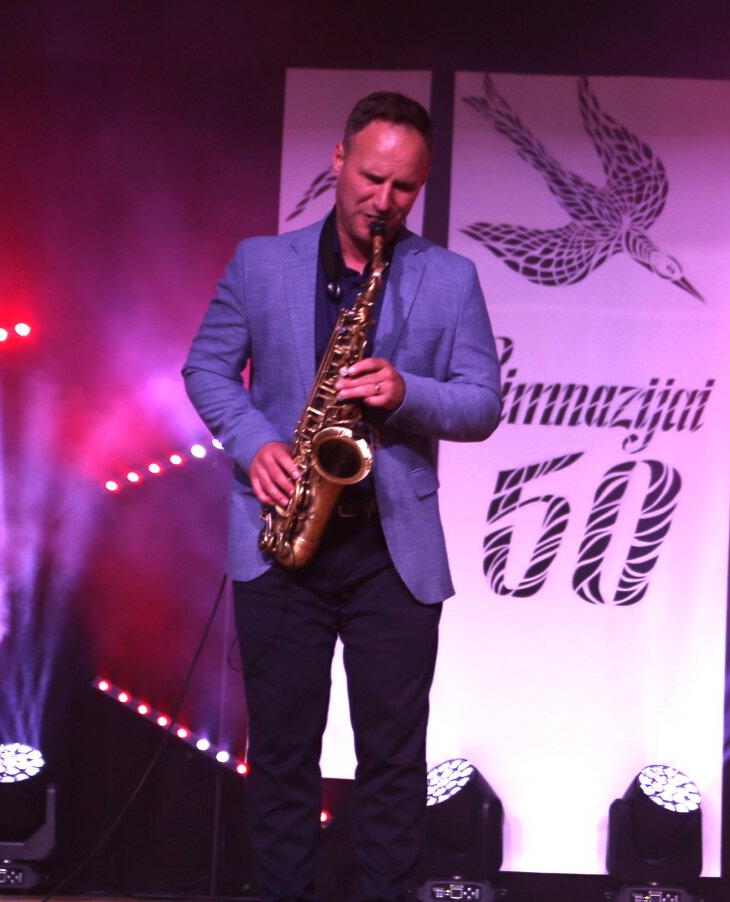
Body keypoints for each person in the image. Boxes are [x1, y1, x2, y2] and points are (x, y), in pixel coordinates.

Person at [183, 92, 501, 902]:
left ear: (422, 185)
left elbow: (481, 404)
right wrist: (256, 445)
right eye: (370, 178)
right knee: (282, 756)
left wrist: (406, 391)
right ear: (338, 160)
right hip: (283, 539)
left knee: (393, 760)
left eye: (403, 187)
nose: (382, 201)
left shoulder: (451, 278)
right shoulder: (261, 262)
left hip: (391, 554)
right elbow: (207, 368)